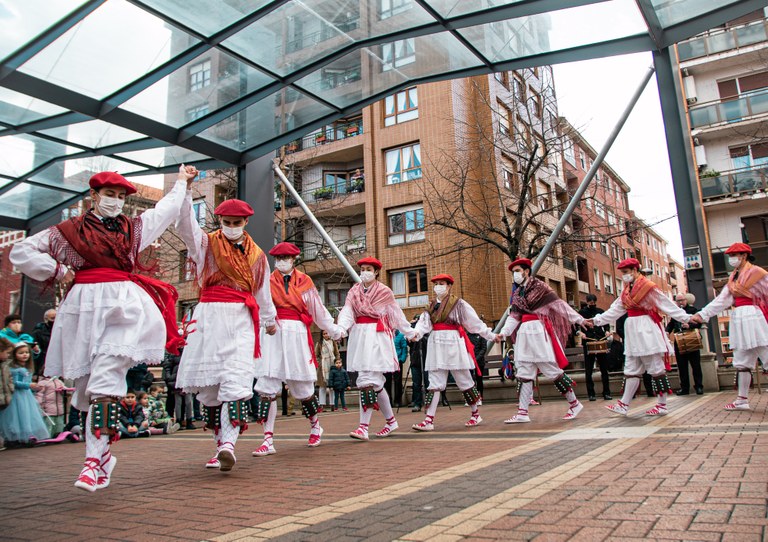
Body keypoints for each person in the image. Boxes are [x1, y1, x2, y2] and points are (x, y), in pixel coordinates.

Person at [10, 165, 197, 491]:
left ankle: (92, 462)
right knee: (87, 387)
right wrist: (56, 270)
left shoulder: (133, 230)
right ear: (94, 195)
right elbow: (22, 251)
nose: (115, 201)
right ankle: (102, 457)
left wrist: (182, 181)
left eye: (121, 196)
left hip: (123, 306)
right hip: (83, 309)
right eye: (109, 194)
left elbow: (165, 210)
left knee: (107, 375)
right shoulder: (68, 231)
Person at [175, 197, 277, 472]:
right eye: (226, 223)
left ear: (245, 222)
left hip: (241, 317)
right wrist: (184, 192)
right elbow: (186, 227)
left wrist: (269, 319)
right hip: (209, 315)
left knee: (236, 379)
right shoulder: (206, 243)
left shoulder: (257, 255)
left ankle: (228, 445)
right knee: (209, 390)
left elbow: (262, 291)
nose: (230, 227)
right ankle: (219, 444)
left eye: (236, 223)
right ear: (220, 221)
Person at [252, 242, 342, 457]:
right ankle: (267, 439)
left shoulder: (305, 281)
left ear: (293, 260)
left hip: (296, 333)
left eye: (286, 258)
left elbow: (317, 309)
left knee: (303, 389)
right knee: (267, 386)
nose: (282, 261)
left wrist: (333, 329)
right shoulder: (265, 280)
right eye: (278, 258)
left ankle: (315, 425)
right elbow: (257, 305)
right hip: (272, 333)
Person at [586, 258, 691, 417]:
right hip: (633, 330)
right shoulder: (627, 291)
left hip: (646, 328)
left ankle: (662, 405)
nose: (624, 276)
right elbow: (615, 310)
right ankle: (623, 404)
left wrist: (687, 318)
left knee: (655, 367)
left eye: (626, 273)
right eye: (623, 273)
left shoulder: (648, 288)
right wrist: (596, 320)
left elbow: (666, 305)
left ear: (635, 270)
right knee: (631, 368)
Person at [336, 257, 417, 440]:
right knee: (377, 383)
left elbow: (395, 313)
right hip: (359, 335)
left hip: (377, 336)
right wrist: (341, 328)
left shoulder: (384, 291)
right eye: (362, 268)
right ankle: (391, 421)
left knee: (366, 381)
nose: (365, 272)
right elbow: (347, 312)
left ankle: (363, 427)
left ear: (376, 272)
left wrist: (409, 331)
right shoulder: (354, 291)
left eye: (368, 269)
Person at [500, 258, 588, 423]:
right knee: (524, 372)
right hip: (524, 333)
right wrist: (503, 332)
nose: (515, 275)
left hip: (538, 331)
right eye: (513, 272)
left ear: (526, 271)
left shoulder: (541, 288)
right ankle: (522, 412)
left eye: (517, 271)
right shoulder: (518, 294)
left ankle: (575, 403)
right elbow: (514, 316)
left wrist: (580, 319)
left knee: (551, 369)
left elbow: (559, 305)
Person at [412, 274, 498, 431]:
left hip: (453, 343)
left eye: (442, 283)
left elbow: (474, 323)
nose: (438, 286)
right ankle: (429, 420)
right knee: (435, 383)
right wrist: (414, 334)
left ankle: (475, 414)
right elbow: (422, 325)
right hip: (436, 344)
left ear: (449, 286)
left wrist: (490, 335)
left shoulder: (459, 304)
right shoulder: (430, 306)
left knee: (464, 380)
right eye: (436, 283)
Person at [690, 243, 767, 411]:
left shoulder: (757, 273)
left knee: (766, 354)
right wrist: (702, 314)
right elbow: (722, 300)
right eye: (730, 256)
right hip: (738, 317)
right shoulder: (733, 278)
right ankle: (742, 399)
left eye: (734, 255)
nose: (731, 259)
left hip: (755, 316)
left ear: (744, 256)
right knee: (742, 360)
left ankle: (742, 399)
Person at [0, 342, 49, 445]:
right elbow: (15, 383)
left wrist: (34, 387)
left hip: (27, 396)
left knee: (28, 415)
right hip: (17, 396)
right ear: (15, 355)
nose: (25, 355)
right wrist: (29, 385)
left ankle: (28, 436)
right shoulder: (15, 369)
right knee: (18, 416)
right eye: (21, 353)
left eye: (26, 352)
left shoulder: (28, 368)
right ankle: (16, 437)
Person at [666, 293, 703, 395]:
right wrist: (667, 331)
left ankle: (699, 387)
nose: (680, 303)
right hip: (680, 341)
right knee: (682, 367)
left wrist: (689, 325)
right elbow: (671, 325)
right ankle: (684, 388)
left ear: (686, 300)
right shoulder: (676, 313)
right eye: (678, 301)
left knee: (696, 366)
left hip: (692, 339)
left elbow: (699, 323)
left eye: (682, 300)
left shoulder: (693, 310)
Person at [579, 294, 612, 401]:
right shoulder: (582, 312)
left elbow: (606, 323)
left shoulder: (600, 311)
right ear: (587, 302)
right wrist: (580, 333)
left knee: (604, 369)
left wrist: (607, 330)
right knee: (588, 369)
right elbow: (575, 325)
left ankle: (606, 392)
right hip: (588, 340)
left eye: (593, 302)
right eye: (590, 302)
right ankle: (591, 394)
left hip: (600, 339)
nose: (591, 304)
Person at [35, 373, 67, 437]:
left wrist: (63, 390)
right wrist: (40, 405)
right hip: (48, 409)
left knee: (59, 424)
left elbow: (66, 390)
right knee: (49, 424)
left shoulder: (59, 381)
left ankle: (58, 435)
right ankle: (46, 436)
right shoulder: (43, 383)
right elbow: (39, 395)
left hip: (59, 409)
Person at [408, 317, 428, 412]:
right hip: (415, 361)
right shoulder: (412, 331)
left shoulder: (427, 332)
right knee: (416, 384)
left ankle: (429, 403)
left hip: (426, 361)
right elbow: (408, 342)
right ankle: (417, 403)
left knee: (428, 382)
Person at [315, 331, 340, 408]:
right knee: (322, 386)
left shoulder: (333, 342)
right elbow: (316, 355)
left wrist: (337, 363)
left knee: (332, 386)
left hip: (332, 365)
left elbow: (337, 353)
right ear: (322, 335)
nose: (326, 335)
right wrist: (320, 363)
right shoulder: (319, 343)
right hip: (323, 367)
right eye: (324, 334)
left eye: (327, 333)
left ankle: (333, 404)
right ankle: (322, 404)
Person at [31, 309, 56, 377]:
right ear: (46, 319)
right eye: (52, 318)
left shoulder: (61, 330)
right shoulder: (38, 332)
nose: (55, 320)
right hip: (43, 364)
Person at [468, 331, 487, 406]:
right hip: (470, 361)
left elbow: (484, 348)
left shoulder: (481, 334)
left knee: (479, 379)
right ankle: (471, 397)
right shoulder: (467, 335)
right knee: (470, 380)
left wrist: (477, 358)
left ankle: (480, 397)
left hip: (479, 362)